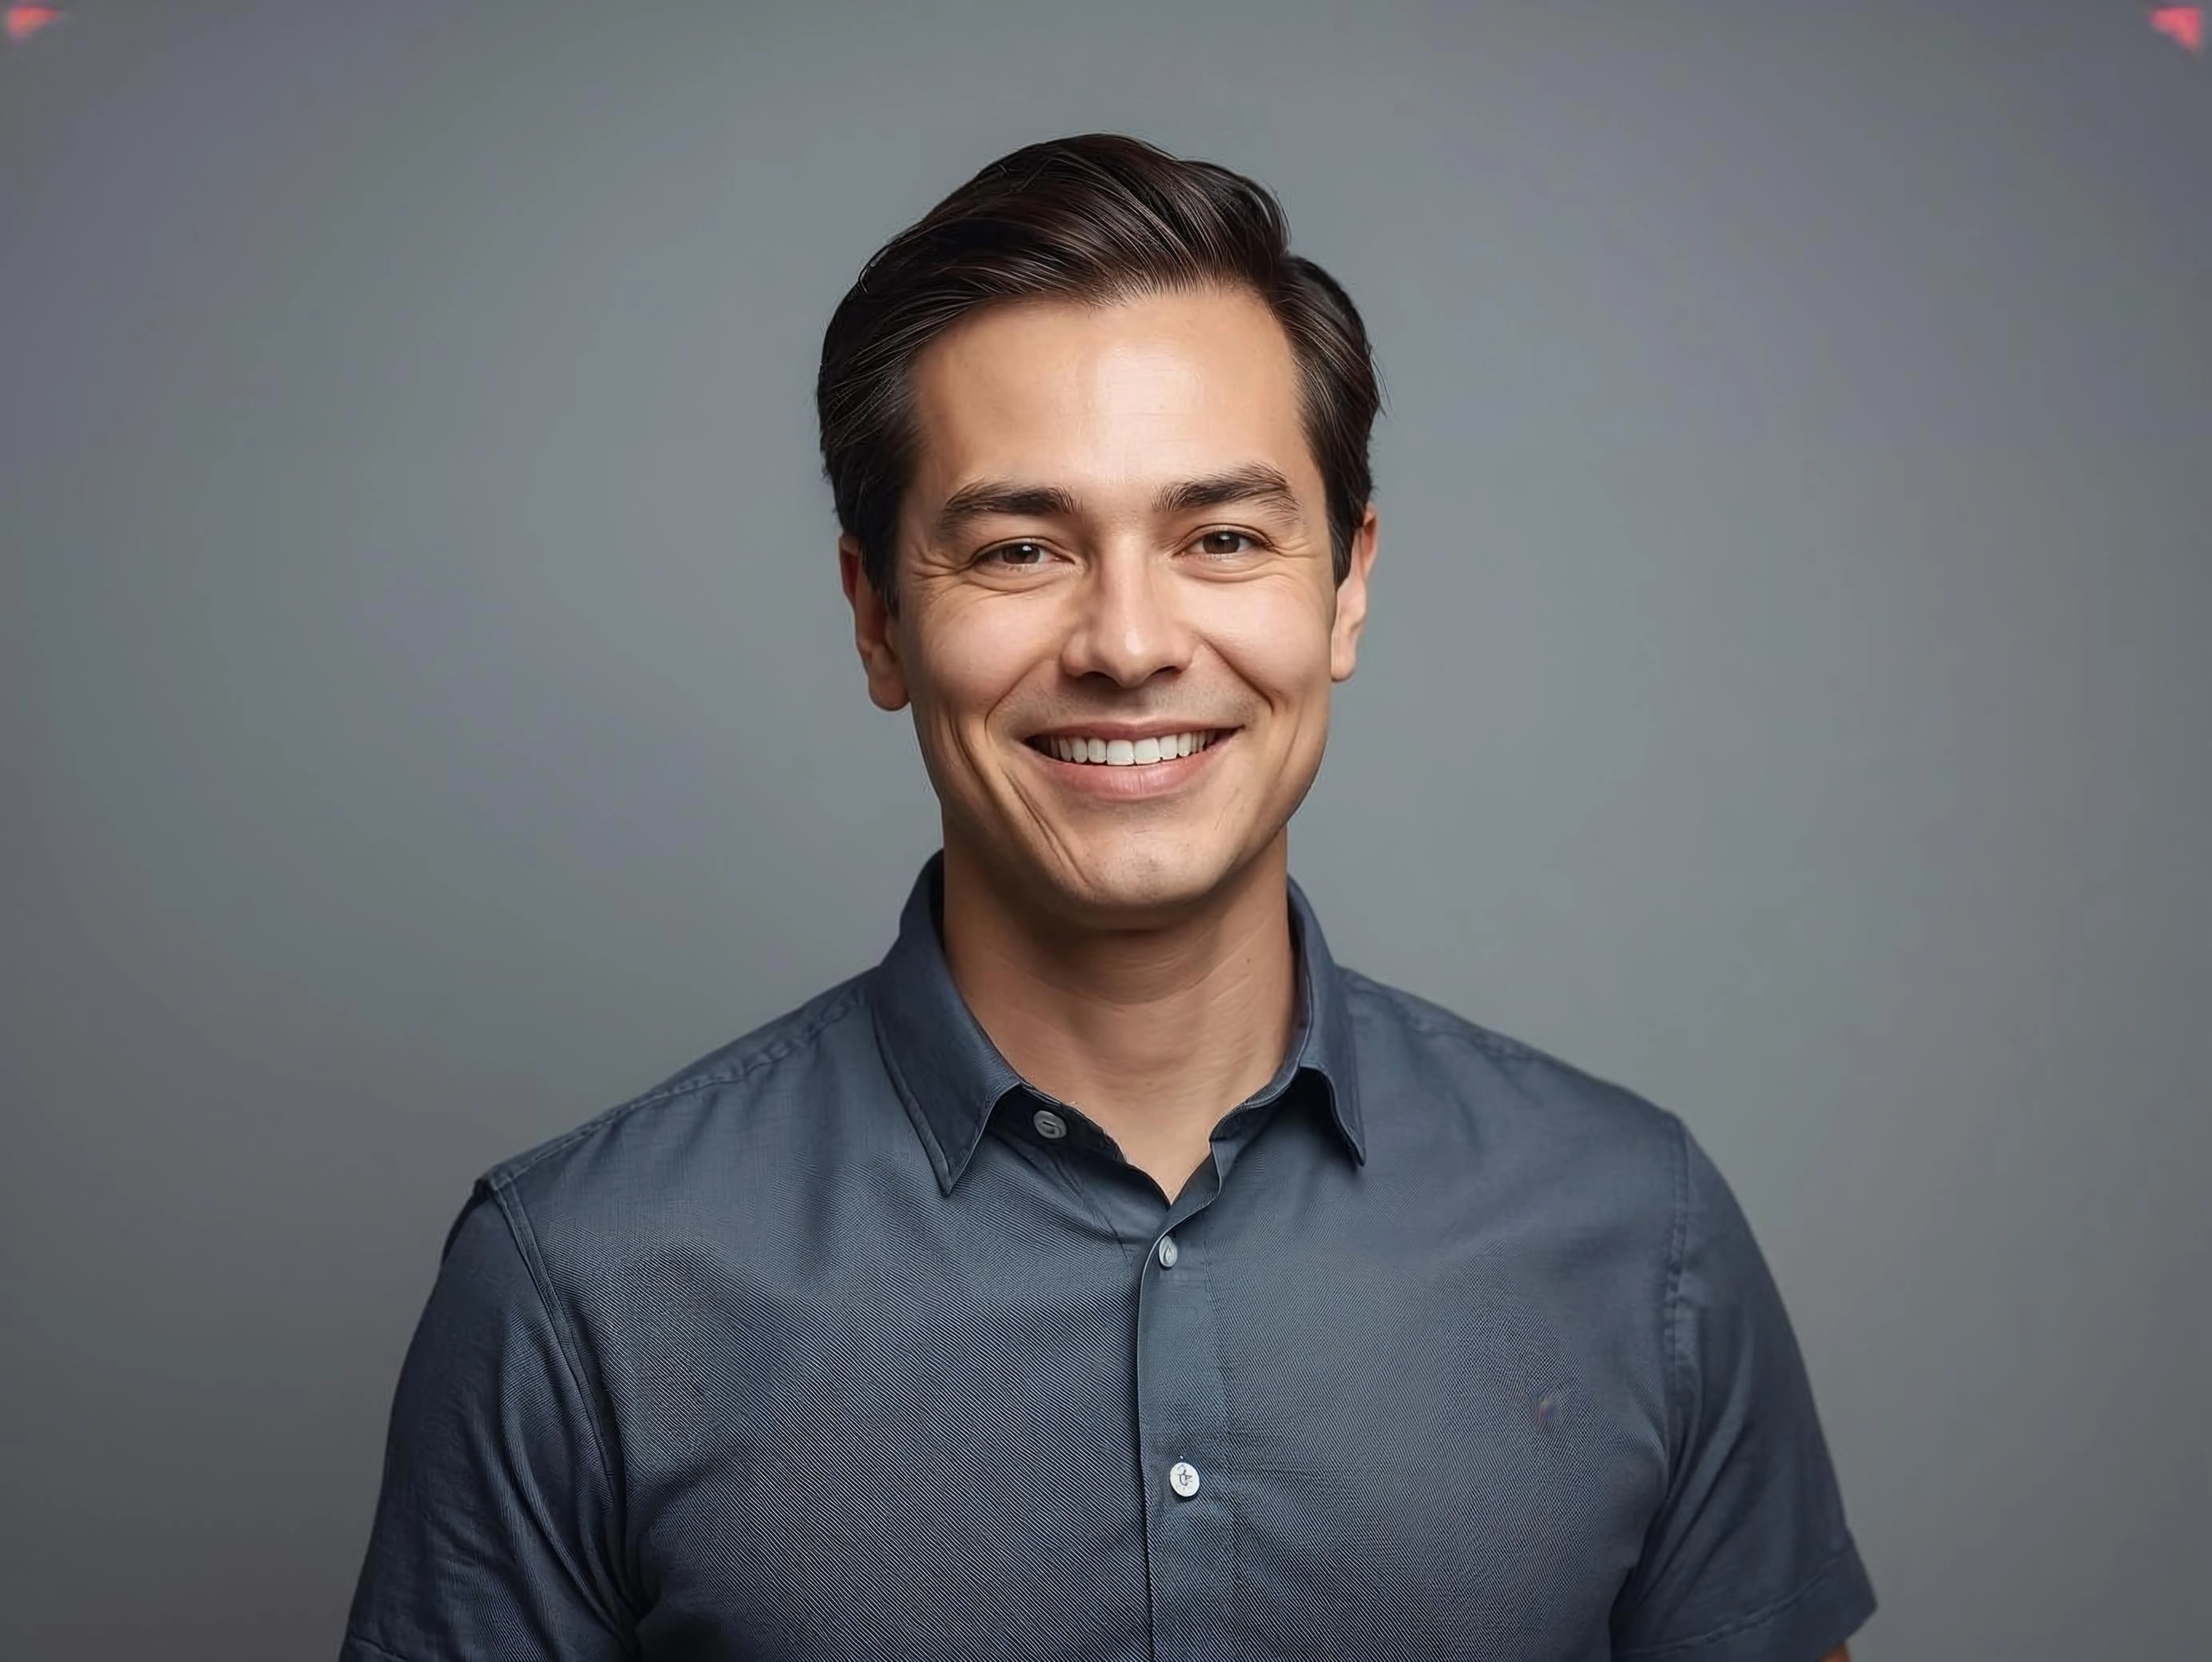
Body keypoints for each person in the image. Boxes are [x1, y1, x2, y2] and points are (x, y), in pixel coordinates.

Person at [340, 131, 1876, 1661]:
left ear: (1346, 586)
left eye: (1223, 538)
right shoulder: (578, 1282)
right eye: (1021, 549)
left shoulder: (1641, 1235)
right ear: (877, 619)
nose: (1130, 644)